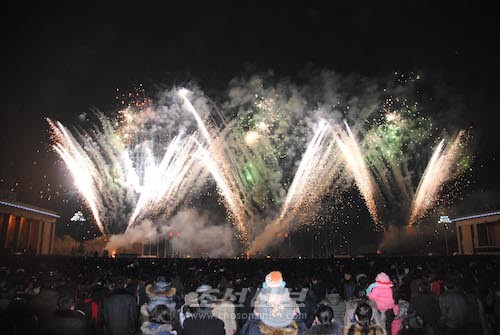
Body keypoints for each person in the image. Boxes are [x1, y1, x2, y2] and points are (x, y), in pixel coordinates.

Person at [240, 271, 307, 335]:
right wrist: (295, 316)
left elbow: (245, 330)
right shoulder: (298, 330)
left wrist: (255, 316)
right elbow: (302, 327)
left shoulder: (254, 330)